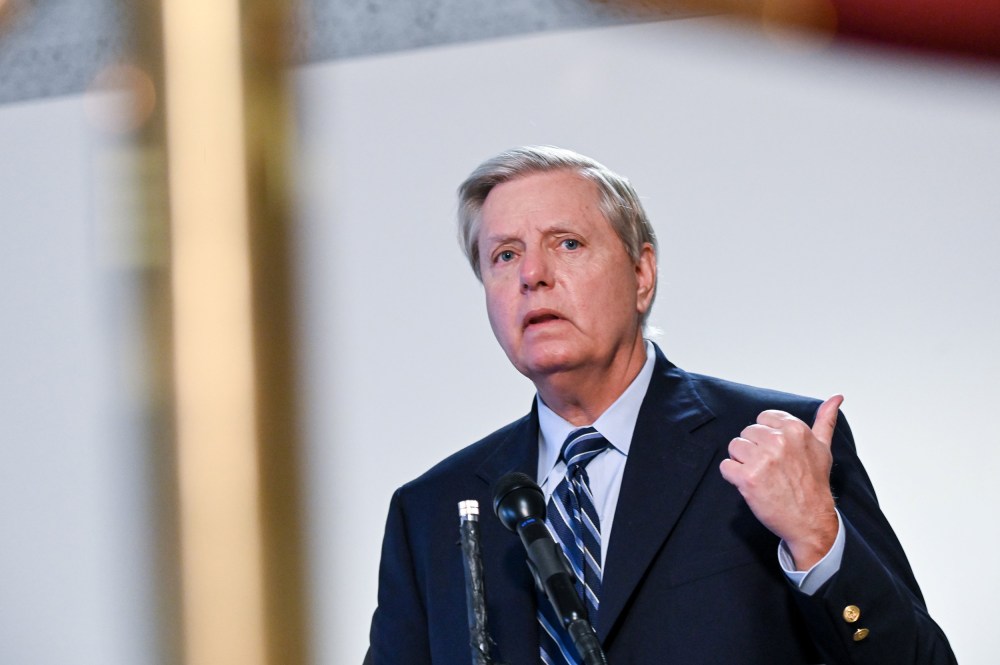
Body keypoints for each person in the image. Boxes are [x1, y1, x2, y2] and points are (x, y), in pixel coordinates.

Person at [365, 146, 955, 664]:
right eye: (505, 256)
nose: (534, 276)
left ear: (642, 273)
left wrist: (818, 542)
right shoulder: (432, 512)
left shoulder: (776, 443)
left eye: (566, 244)